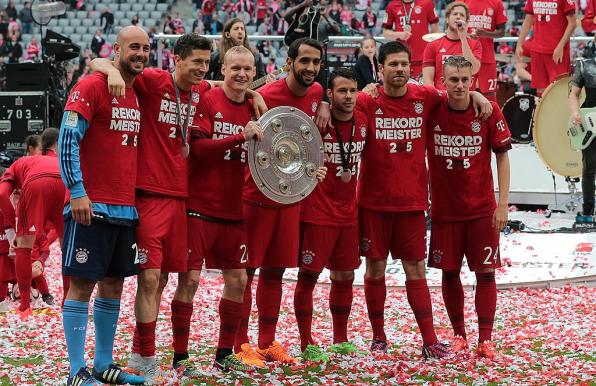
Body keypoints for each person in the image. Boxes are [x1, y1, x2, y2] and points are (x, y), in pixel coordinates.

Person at [91, 33, 214, 383]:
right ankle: (144, 356)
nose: (202, 70)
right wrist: (110, 72)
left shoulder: (201, 90)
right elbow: (99, 64)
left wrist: (250, 91)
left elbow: (221, 82)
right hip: (148, 194)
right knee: (148, 277)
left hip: (181, 199)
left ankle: (142, 350)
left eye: (207, 63)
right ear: (176, 59)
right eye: (196, 62)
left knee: (161, 279)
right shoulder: (154, 81)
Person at [357, 41, 492, 358]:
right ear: (381, 69)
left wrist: (477, 94)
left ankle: (429, 341)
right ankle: (379, 336)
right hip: (373, 203)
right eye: (393, 64)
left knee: (415, 270)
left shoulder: (426, 97)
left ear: (411, 68)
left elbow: (457, 92)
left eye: (405, 64)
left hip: (412, 204)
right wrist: (324, 104)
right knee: (374, 270)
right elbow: (336, 100)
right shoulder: (366, 99)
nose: (400, 69)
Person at [59, 26, 148, 386]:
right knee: (81, 283)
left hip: (125, 207)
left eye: (145, 48)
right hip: (90, 205)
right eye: (133, 47)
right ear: (117, 48)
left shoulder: (136, 90)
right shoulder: (91, 86)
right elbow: (68, 138)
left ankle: (103, 364)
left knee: (113, 283)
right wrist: (77, 190)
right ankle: (76, 370)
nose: (140, 53)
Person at [238, 37, 328, 364]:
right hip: (255, 197)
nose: (310, 68)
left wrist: (328, 103)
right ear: (289, 63)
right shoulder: (265, 94)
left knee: (275, 272)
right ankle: (240, 345)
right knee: (245, 273)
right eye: (304, 61)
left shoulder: (318, 94)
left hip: (290, 200)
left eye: (315, 62)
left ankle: (266, 342)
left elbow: (327, 99)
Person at [427, 55, 511, 360]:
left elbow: (502, 155)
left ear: (472, 81)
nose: (460, 85)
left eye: (465, 80)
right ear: (443, 82)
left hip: (481, 210)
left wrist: (502, 204)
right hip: (445, 211)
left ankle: (485, 340)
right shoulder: (431, 109)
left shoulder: (488, 110)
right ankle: (459, 334)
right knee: (449, 273)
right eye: (454, 80)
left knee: (485, 273)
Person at [188, 45, 266, 371]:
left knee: (238, 281)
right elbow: (197, 149)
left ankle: (223, 355)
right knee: (188, 282)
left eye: (248, 69)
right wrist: (239, 138)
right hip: (200, 207)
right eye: (236, 68)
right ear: (223, 69)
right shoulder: (207, 99)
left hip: (235, 210)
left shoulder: (256, 107)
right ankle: (180, 357)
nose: (242, 74)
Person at [294, 67, 368, 362]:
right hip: (316, 213)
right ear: (329, 94)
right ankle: (306, 342)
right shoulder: (316, 123)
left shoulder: (364, 122)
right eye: (341, 91)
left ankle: (340, 340)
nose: (348, 96)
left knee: (345, 276)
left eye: (353, 91)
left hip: (348, 215)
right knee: (308, 278)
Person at [0, 128, 64, 318]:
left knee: (24, 247)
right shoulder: (64, 161)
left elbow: (3, 194)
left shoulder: (21, 163)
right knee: (68, 245)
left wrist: (11, 229)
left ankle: (25, 307)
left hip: (35, 185)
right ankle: (69, 303)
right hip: (65, 181)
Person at [515, 0, 575, 95]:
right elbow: (528, 20)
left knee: (558, 90)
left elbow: (572, 23)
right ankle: (543, 110)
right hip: (537, 50)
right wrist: (519, 44)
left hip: (556, 52)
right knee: (541, 92)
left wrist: (560, 46)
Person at [422, 2, 482, 90]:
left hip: (466, 98)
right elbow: (428, 81)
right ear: (447, 19)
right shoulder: (432, 45)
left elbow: (474, 70)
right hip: (441, 98)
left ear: (467, 21)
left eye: (462, 15)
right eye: (455, 14)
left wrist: (463, 38)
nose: (458, 17)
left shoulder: (475, 44)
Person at [569, 47, 596, 224]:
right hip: (589, 122)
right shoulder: (584, 65)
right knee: (589, 168)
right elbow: (574, 94)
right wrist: (575, 113)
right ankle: (588, 211)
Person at [382, 0, 440, 80]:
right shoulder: (392, 5)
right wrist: (399, 35)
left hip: (423, 58)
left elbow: (435, 28)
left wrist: (434, 50)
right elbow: (385, 33)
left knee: (424, 88)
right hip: (402, 60)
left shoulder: (427, 3)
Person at [462, 0, 507, 101]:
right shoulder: (462, 1)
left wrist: (486, 34)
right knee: (465, 95)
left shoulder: (496, 3)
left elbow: (502, 31)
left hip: (487, 57)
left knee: (490, 98)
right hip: (467, 57)